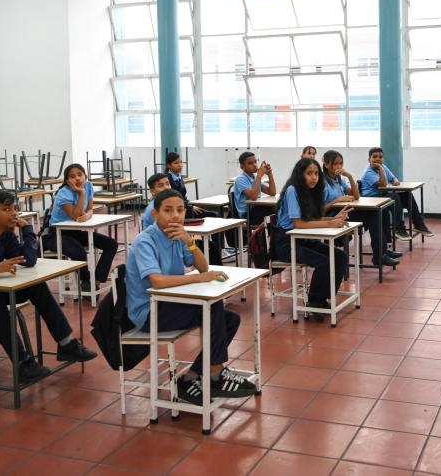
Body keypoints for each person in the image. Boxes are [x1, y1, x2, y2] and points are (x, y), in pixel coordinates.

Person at [0, 190, 96, 382]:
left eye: (14, 208)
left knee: (36, 286)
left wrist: (27, 230)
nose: (14, 213)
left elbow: (28, 260)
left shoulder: (5, 234)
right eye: (6, 209)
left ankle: (66, 343)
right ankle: (23, 364)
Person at [125, 189, 256, 405]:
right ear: (155, 214)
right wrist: (199, 279)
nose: (175, 216)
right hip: (149, 312)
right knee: (212, 307)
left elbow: (203, 267)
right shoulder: (145, 241)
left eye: (180, 210)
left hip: (170, 303)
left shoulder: (178, 236)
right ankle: (216, 374)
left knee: (230, 319)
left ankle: (191, 377)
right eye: (168, 210)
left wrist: (189, 242)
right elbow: (157, 281)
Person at [273, 158, 350, 318]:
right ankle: (314, 301)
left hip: (303, 239)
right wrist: (330, 224)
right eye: (309, 173)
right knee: (324, 262)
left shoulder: (311, 191)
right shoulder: (293, 190)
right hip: (286, 244)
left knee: (340, 256)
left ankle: (321, 299)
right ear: (300, 174)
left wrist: (333, 219)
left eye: (316, 173)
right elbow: (299, 223)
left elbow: (310, 220)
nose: (314, 177)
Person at [41, 163, 118, 291]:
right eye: (72, 177)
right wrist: (81, 193)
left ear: (85, 176)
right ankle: (86, 282)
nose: (77, 178)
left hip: (75, 232)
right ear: (67, 181)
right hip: (57, 234)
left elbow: (89, 209)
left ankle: (96, 280)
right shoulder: (64, 193)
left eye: (80, 174)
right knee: (79, 253)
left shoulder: (89, 185)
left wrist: (87, 215)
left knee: (111, 244)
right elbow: (75, 215)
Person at [321, 150, 400, 267]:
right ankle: (380, 254)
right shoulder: (322, 182)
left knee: (378, 212)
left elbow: (357, 196)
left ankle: (381, 252)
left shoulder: (339, 179)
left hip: (345, 211)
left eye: (341, 163)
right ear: (327, 164)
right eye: (335, 164)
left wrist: (349, 176)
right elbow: (321, 210)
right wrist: (337, 201)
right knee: (374, 214)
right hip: (333, 215)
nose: (339, 166)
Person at [358, 147, 434, 240]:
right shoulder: (368, 172)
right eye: (374, 157)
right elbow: (383, 184)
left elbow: (393, 178)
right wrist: (380, 168)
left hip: (382, 195)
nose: (378, 159)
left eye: (380, 157)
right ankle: (399, 229)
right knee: (394, 197)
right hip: (371, 199)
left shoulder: (383, 167)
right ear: (369, 159)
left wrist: (395, 180)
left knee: (407, 195)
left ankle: (419, 225)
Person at [231, 152, 276, 223]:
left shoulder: (254, 179)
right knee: (274, 212)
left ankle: (271, 228)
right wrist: (259, 176)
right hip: (247, 214)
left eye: (255, 162)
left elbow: (272, 192)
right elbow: (253, 197)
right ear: (242, 167)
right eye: (250, 163)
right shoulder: (240, 179)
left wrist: (270, 174)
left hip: (256, 209)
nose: (254, 165)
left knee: (276, 209)